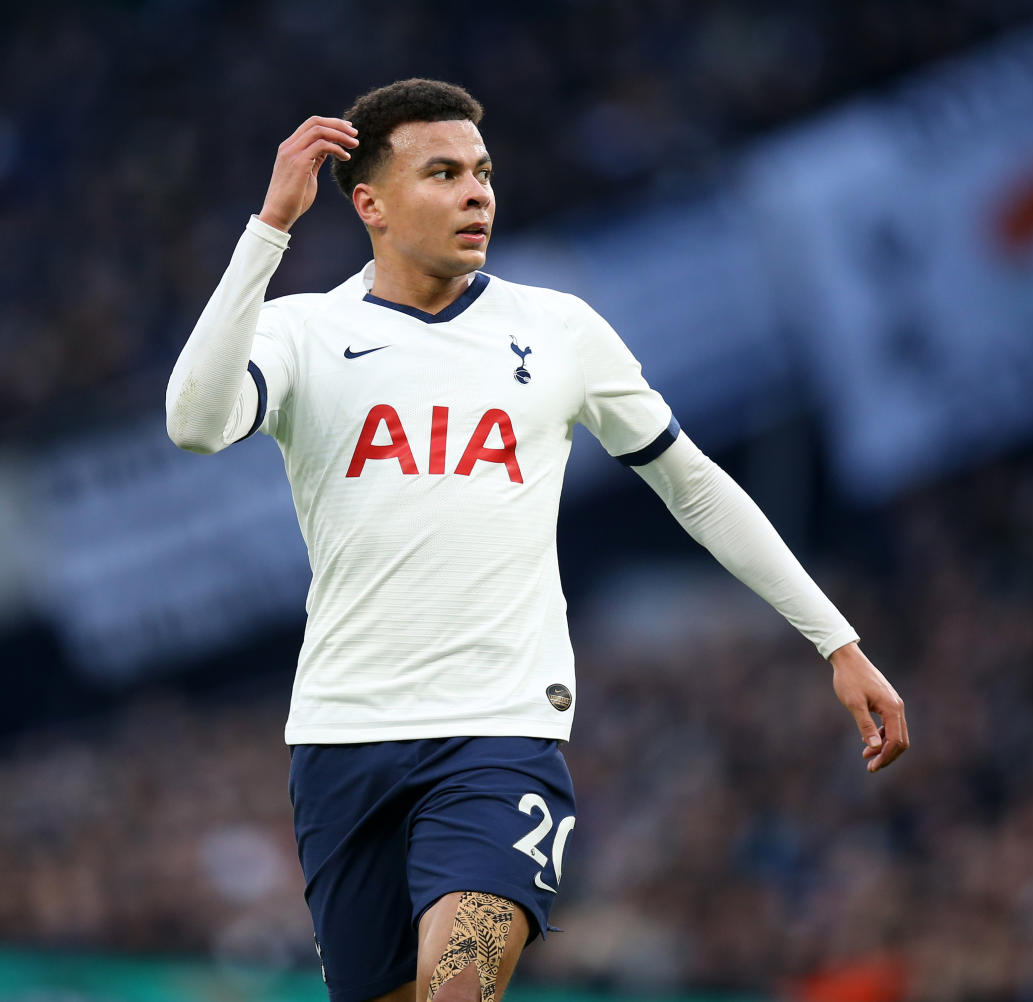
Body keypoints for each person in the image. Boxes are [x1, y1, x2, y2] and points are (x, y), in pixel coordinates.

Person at [165, 78, 909, 1002]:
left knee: (460, 987)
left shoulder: (558, 329)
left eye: (481, 172)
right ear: (371, 204)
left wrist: (836, 640)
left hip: (500, 732)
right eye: (442, 173)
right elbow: (194, 422)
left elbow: (697, 488)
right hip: (342, 738)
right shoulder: (305, 332)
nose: (477, 192)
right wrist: (268, 228)